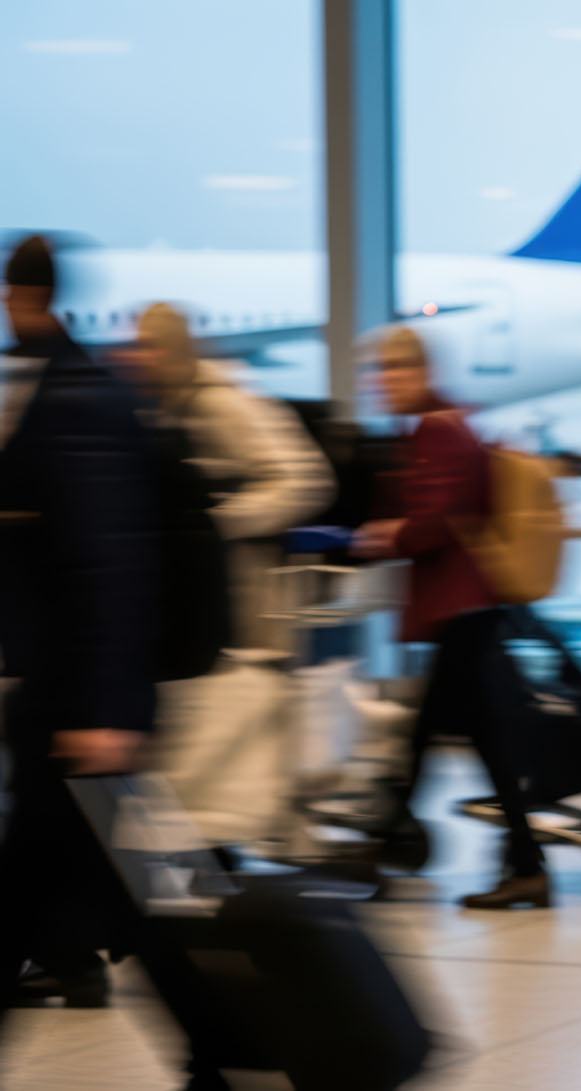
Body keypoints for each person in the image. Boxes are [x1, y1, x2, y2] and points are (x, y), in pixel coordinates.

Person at [0, 236, 225, 1076]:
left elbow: (110, 563)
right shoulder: (48, 384)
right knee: (94, 897)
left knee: (134, 906)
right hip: (62, 697)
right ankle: (222, 1054)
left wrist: (106, 709)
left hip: (82, 704)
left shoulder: (76, 396)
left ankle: (225, 1052)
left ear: (18, 294)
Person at [121, 302, 335, 845]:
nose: (136, 357)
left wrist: (216, 525)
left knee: (230, 744)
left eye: (147, 346)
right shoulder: (167, 409)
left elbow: (305, 480)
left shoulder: (225, 405)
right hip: (197, 604)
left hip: (241, 605)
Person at [353, 326, 551, 910]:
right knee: (468, 738)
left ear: (420, 372)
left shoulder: (439, 430)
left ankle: (389, 846)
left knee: (441, 738)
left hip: (460, 604)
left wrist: (390, 534)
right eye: (379, 372)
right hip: (467, 605)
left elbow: (438, 518)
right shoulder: (446, 424)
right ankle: (522, 862)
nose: (383, 383)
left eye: (394, 371)